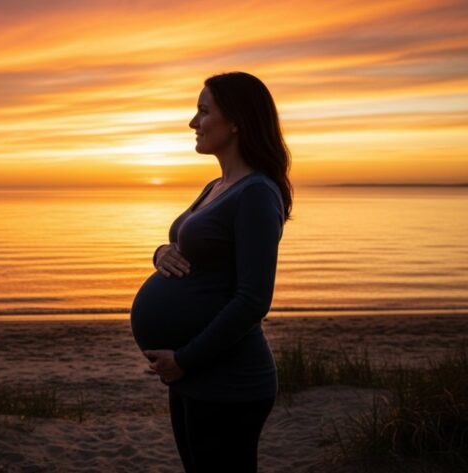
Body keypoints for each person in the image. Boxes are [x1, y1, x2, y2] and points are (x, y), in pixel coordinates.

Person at [129, 71, 293, 472]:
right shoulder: (216, 185)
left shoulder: (257, 192)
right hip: (193, 375)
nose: (192, 122)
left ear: (236, 121)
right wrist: (160, 253)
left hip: (228, 381)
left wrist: (185, 358)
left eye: (203, 111)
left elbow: (254, 299)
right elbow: (188, 248)